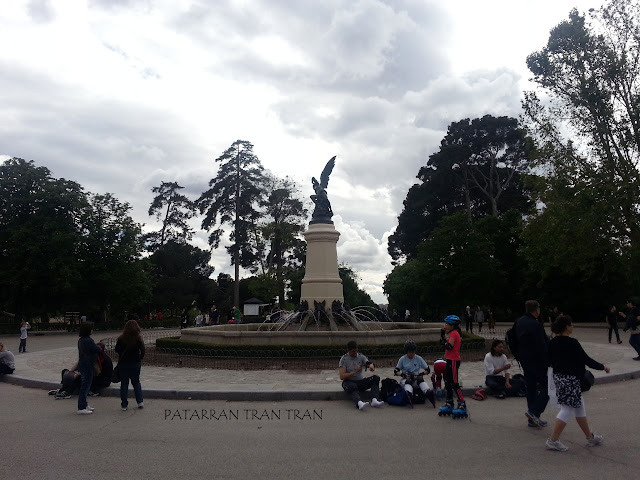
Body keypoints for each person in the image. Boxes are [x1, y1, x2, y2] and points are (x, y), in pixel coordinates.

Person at [545, 315, 610, 451]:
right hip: (571, 379)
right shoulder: (572, 343)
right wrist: (602, 367)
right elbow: (586, 359)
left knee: (579, 406)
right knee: (567, 408)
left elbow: (548, 360)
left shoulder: (552, 342)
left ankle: (590, 437)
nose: (573, 327)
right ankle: (553, 440)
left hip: (559, 378)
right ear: (567, 327)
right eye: (571, 324)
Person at [515, 300, 549, 428]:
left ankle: (533, 419)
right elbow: (542, 345)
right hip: (538, 361)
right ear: (536, 310)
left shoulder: (519, 321)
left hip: (525, 360)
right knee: (548, 387)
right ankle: (534, 412)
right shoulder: (535, 324)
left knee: (531, 387)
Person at [338, 340, 384, 410]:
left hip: (360, 381)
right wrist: (354, 372)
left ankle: (374, 399)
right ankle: (359, 402)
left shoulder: (360, 356)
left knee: (375, 378)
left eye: (356, 351)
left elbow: (367, 362)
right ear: (349, 351)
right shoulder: (344, 359)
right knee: (352, 386)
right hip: (349, 382)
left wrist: (371, 366)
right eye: (353, 351)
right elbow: (342, 376)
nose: (355, 353)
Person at [438, 315, 467, 418]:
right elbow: (446, 343)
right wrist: (443, 337)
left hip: (454, 361)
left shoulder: (454, 334)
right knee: (448, 382)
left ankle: (462, 403)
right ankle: (449, 402)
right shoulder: (452, 333)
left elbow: (449, 346)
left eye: (446, 324)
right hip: (450, 360)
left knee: (454, 383)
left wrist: (444, 341)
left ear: (452, 325)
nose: (445, 325)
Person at [395, 340, 436, 407]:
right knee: (409, 381)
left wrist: (420, 374)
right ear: (407, 352)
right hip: (406, 378)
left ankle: (429, 392)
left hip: (416, 377)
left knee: (420, 379)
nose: (412, 354)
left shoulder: (418, 358)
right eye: (410, 352)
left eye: (413, 352)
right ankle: (409, 394)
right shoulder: (402, 359)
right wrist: (403, 375)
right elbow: (396, 371)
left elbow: (427, 370)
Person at [115, 319, 145, 411]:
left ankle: (124, 404)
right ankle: (140, 402)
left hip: (124, 363)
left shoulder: (121, 339)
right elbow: (143, 350)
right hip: (135, 363)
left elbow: (117, 349)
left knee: (124, 384)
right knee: (136, 382)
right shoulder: (138, 339)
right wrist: (139, 359)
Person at [76, 323, 102, 415]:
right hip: (88, 364)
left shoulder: (81, 340)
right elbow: (97, 349)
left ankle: (84, 404)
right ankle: (81, 406)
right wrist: (100, 348)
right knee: (85, 386)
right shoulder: (88, 340)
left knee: (85, 385)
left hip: (83, 363)